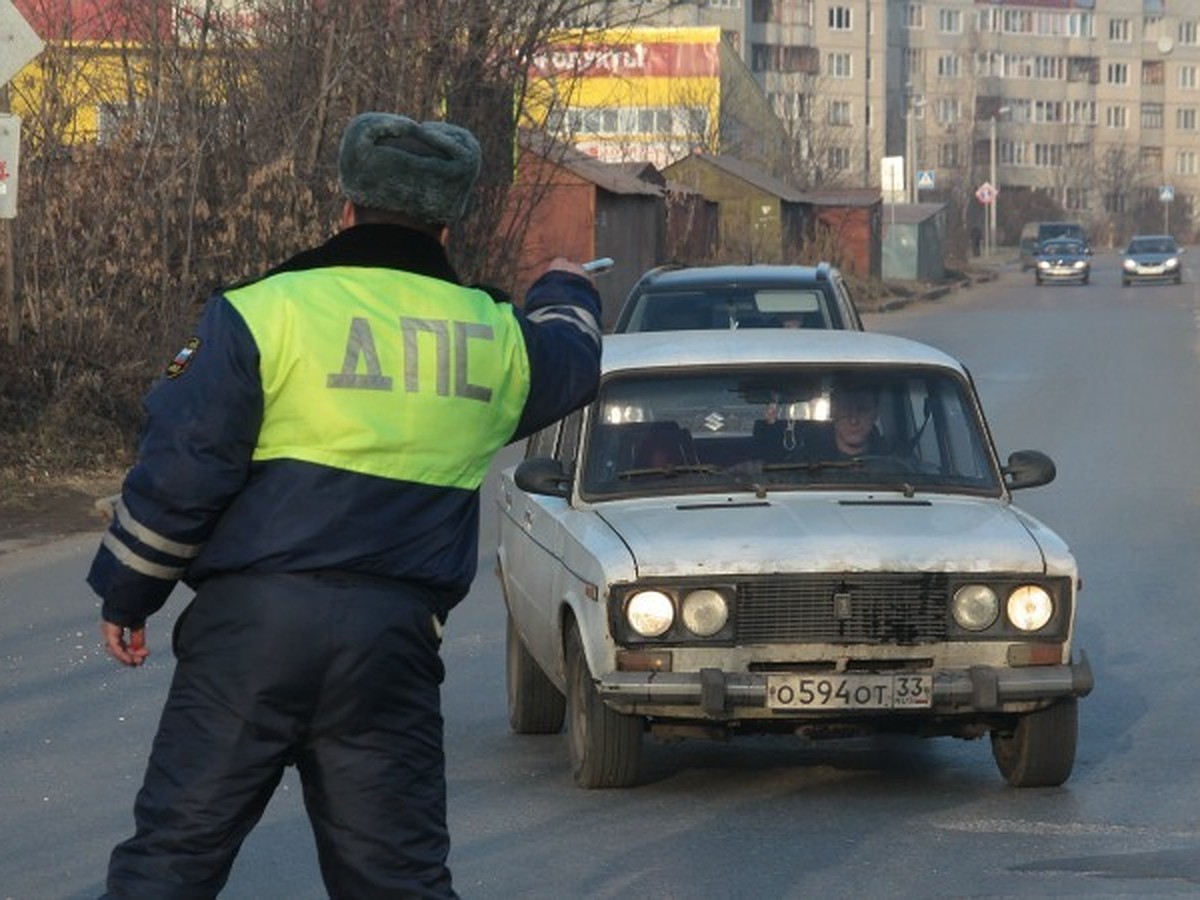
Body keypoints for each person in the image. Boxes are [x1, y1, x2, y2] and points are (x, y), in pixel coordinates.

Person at [87, 111, 602, 899]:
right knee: (398, 881)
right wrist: (566, 287)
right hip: (388, 647)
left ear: (347, 207)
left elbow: (184, 468)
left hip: (248, 640)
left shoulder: (263, 312)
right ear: (445, 225)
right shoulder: (490, 337)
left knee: (170, 866)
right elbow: (570, 362)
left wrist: (131, 590)